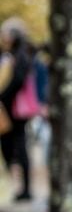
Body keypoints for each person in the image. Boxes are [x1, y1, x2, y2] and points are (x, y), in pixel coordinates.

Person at [0, 18, 34, 202]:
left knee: (19, 147)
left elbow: (17, 81)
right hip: (12, 109)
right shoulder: (13, 54)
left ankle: (25, 189)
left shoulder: (20, 55)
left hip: (15, 110)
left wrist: (3, 96)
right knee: (12, 147)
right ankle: (19, 187)